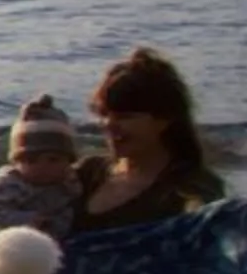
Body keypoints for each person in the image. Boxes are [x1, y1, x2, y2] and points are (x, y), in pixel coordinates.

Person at [68, 47, 225, 237]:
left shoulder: (191, 190)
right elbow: (28, 196)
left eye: (124, 116)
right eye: (104, 115)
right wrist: (33, 131)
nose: (109, 125)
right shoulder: (87, 173)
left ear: (164, 119)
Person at [0, 96, 81, 242]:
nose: (43, 167)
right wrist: (29, 219)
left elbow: (75, 207)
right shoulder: (11, 183)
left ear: (68, 161)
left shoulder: (68, 182)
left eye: (53, 160)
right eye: (31, 161)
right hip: (19, 241)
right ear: (16, 162)